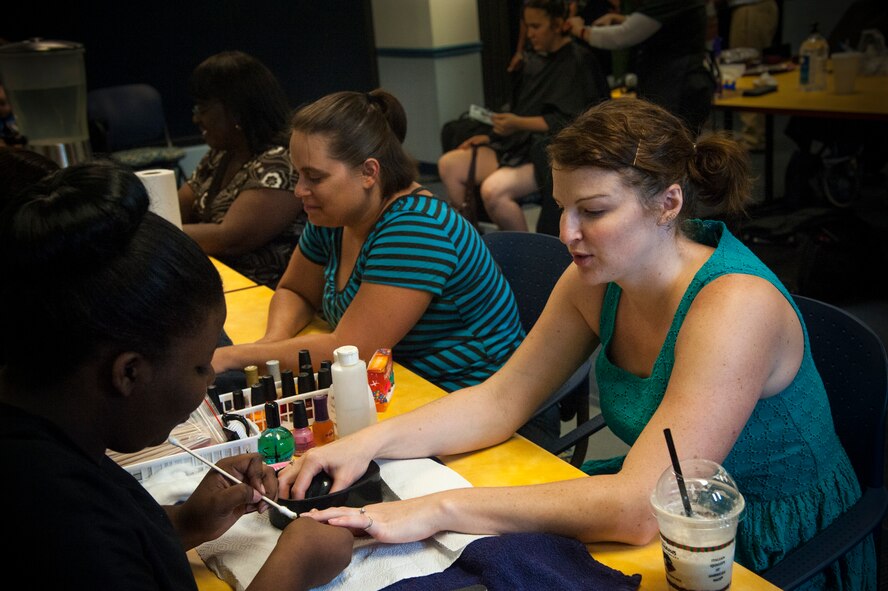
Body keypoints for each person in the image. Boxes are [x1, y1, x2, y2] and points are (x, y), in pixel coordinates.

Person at [278, 99, 876, 590]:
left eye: (592, 211)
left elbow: (642, 508)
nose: (565, 233)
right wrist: (364, 444)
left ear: (668, 204)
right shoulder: (597, 278)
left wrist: (437, 509)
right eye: (562, 207)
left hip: (761, 542)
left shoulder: (734, 307)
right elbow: (501, 400)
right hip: (663, 513)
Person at [0, 161, 352, 589]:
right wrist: (295, 566)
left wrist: (185, 523)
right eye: (201, 366)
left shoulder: (48, 443)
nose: (208, 383)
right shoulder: (55, 518)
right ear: (130, 372)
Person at [211, 89, 560, 445]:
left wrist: (233, 356)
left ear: (368, 172)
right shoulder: (333, 215)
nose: (300, 190)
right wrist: (271, 344)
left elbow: (351, 350)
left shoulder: (415, 229)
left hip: (492, 412)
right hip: (407, 393)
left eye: (314, 177)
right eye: (298, 175)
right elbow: (295, 291)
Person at [438, 0, 609, 231]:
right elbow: (523, 110)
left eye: (536, 26)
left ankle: (526, 254)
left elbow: (572, 121)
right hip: (517, 145)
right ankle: (471, 244)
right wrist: (490, 137)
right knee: (450, 165)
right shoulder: (533, 62)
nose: (530, 34)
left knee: (493, 190)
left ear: (557, 24)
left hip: (551, 153)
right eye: (527, 26)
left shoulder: (579, 62)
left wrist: (517, 123)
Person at [178, 50, 305, 288]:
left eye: (202, 109)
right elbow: (175, 207)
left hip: (264, 293)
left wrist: (160, 229)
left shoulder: (282, 162)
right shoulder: (221, 155)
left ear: (236, 110)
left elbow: (229, 239)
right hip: (219, 285)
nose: (196, 119)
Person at [569, 0, 716, 134]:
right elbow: (661, 23)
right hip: (670, 83)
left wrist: (582, 31)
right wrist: (624, 20)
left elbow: (624, 36)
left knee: (670, 150)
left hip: (677, 87)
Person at [725, 0, 779, 151]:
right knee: (754, 70)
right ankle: (756, 133)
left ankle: (753, 136)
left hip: (749, 8)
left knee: (747, 70)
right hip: (756, 7)